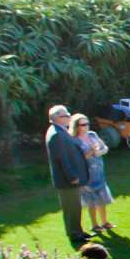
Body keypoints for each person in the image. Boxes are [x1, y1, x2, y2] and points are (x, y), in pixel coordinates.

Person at [44, 104, 90, 244]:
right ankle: (75, 234)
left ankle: (78, 230)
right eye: (66, 115)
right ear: (57, 118)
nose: (69, 117)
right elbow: (62, 159)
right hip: (67, 180)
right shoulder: (56, 134)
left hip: (68, 179)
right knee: (71, 208)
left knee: (75, 207)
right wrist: (73, 177)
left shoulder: (60, 130)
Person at [71, 113, 114, 232]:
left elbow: (104, 148)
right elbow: (76, 159)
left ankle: (105, 222)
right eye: (83, 124)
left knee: (102, 198)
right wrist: (90, 152)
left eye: (87, 123)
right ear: (76, 126)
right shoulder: (74, 141)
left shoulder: (92, 134)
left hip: (99, 171)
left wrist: (98, 152)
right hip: (86, 173)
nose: (86, 126)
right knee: (91, 200)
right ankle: (95, 225)